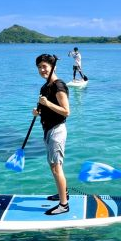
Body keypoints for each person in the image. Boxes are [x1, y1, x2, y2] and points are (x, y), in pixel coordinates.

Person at [33, 54, 71, 215]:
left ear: (53, 67)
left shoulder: (58, 86)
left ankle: (64, 205)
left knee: (56, 168)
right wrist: (38, 112)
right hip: (47, 130)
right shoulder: (45, 87)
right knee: (53, 165)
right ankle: (64, 193)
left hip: (57, 131)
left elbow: (66, 111)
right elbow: (46, 109)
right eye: (39, 67)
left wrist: (47, 103)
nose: (42, 70)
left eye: (44, 66)